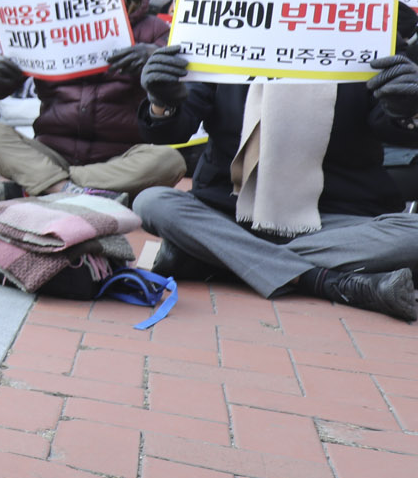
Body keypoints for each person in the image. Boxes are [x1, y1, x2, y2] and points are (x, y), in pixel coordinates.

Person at [134, 42, 418, 321]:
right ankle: (323, 280)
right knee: (152, 201)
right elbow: (173, 130)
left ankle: (216, 257)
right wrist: (161, 102)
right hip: (229, 212)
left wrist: (410, 108)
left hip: (332, 220)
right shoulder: (221, 40)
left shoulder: (369, 42)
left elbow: (401, 134)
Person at [0, 0, 186, 199]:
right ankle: (75, 191)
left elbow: (179, 72)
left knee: (170, 161)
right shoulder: (43, 24)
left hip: (119, 158)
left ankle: (50, 186)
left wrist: (154, 56)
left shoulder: (152, 29)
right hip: (53, 151)